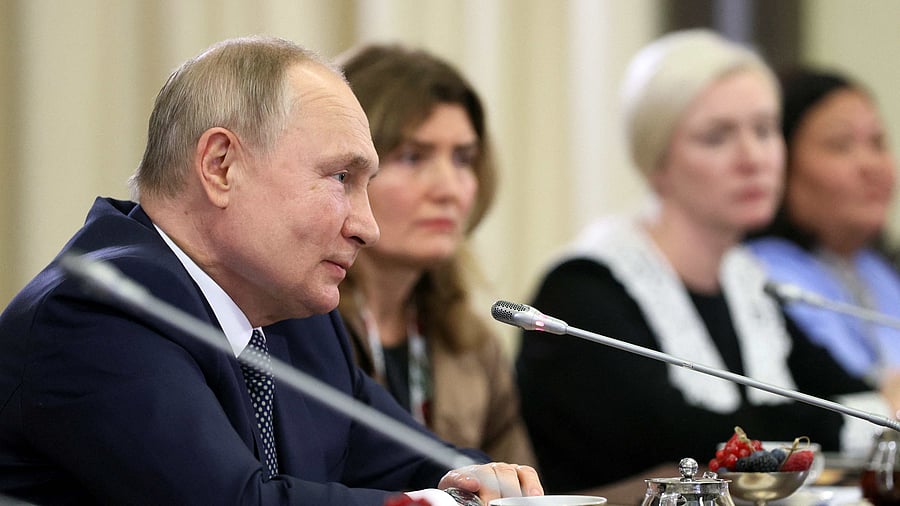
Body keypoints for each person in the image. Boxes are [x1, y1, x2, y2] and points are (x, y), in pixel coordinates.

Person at [0, 35, 542, 505]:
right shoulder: (100, 311)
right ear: (221, 166)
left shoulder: (298, 319)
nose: (367, 227)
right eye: (341, 178)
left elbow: (416, 461)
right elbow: (234, 501)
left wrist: (483, 483)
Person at [515, 29, 883, 493]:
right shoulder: (583, 289)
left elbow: (845, 395)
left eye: (764, 130)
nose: (754, 158)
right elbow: (682, 440)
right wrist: (836, 420)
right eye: (716, 137)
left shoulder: (745, 283)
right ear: (657, 160)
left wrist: (851, 411)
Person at [333, 43, 535, 467]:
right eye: (412, 157)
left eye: (463, 159)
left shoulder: (473, 345)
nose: (449, 189)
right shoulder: (298, 328)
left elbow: (521, 491)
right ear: (344, 172)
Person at [746, 67, 900, 388]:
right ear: (781, 163)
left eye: (877, 143)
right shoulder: (760, 275)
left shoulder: (878, 269)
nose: (871, 165)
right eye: (841, 145)